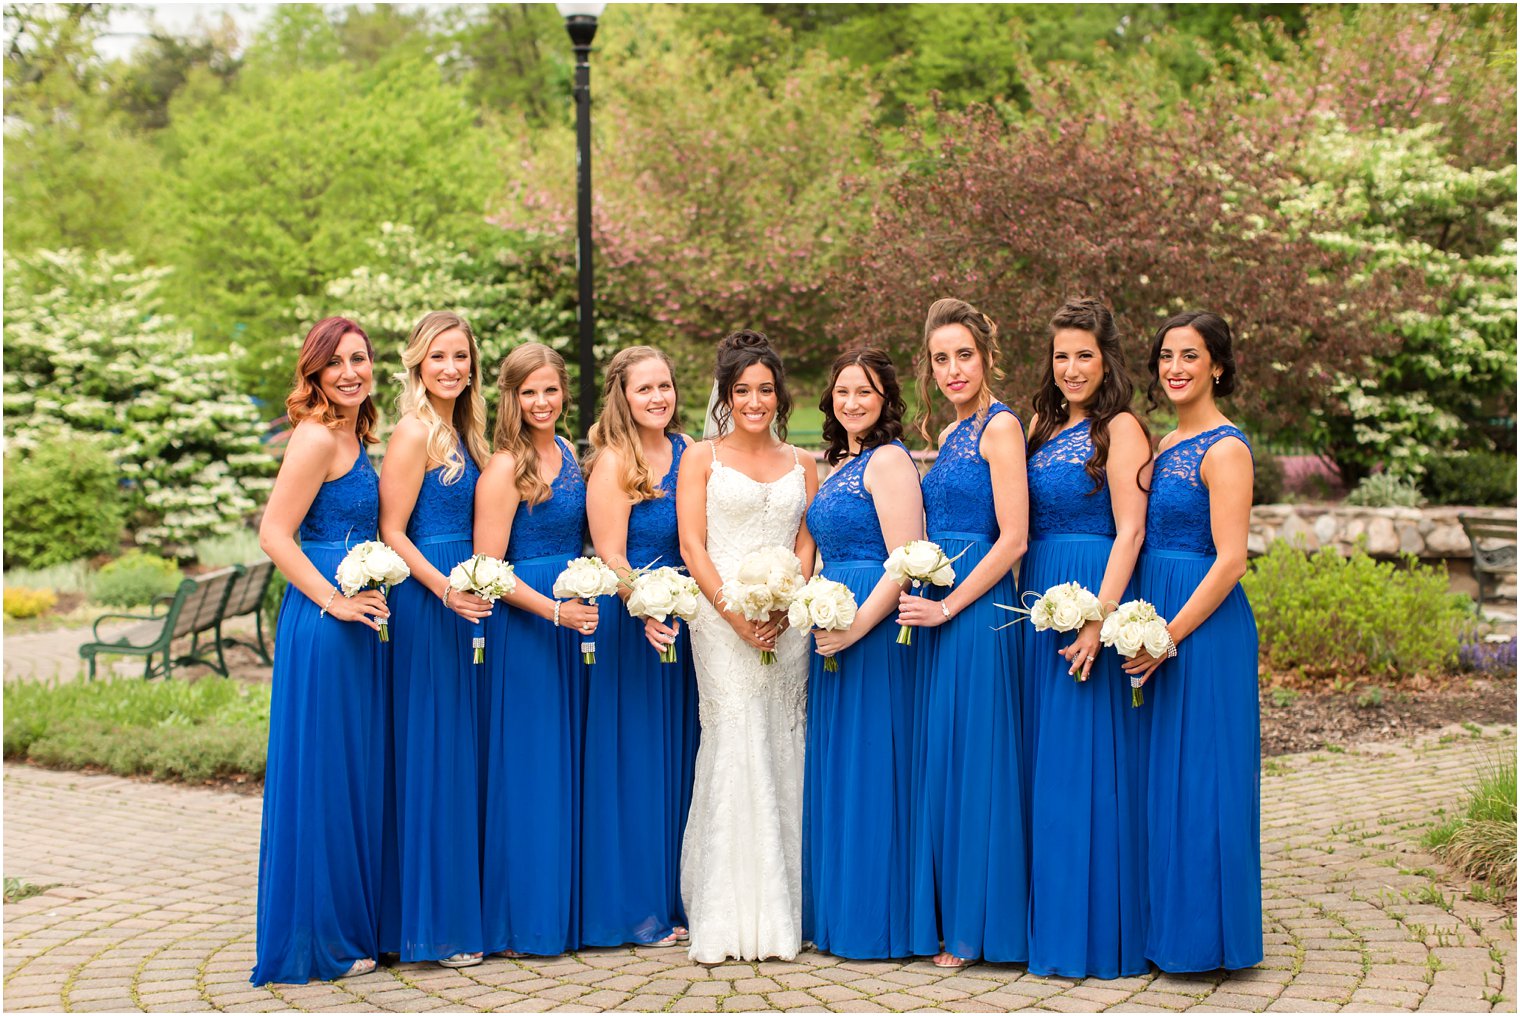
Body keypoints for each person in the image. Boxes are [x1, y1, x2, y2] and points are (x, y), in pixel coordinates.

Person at [252, 317, 389, 985]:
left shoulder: (350, 432)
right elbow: (275, 534)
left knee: (353, 775)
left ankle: (354, 923)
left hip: (359, 624)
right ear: (314, 372)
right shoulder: (313, 437)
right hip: (327, 625)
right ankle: (324, 938)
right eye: (334, 364)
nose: (349, 373)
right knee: (329, 777)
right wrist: (333, 600)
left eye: (358, 359)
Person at [1125, 309, 1262, 972]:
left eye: (1190, 355)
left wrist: (1166, 636)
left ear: (1217, 366)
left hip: (1201, 631)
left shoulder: (1225, 448)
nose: (1175, 367)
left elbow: (1231, 559)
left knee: (1202, 778)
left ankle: (1208, 942)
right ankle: (1168, 929)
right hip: (1158, 621)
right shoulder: (1163, 442)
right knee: (1163, 781)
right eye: (1166, 356)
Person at [676, 330, 818, 963]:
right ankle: (726, 914)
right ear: (725, 395)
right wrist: (735, 613)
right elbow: (692, 546)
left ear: (778, 393)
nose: (755, 401)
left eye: (765, 389)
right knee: (734, 739)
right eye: (742, 390)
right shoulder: (701, 458)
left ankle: (792, 906)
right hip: (721, 618)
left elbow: (808, 540)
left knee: (785, 741)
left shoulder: (803, 462)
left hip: (789, 624)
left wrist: (791, 599)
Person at [1021, 298, 1150, 979]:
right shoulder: (1039, 425)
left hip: (1090, 595)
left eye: (1084, 356)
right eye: (1061, 354)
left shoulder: (1122, 427)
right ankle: (1044, 921)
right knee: (1041, 767)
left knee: (1082, 765)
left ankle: (1091, 933)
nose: (1071, 368)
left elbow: (1130, 529)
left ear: (1107, 361)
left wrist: (1100, 619)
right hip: (1036, 595)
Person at [899, 298, 1029, 969]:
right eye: (941, 358)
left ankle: (981, 930)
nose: (953, 369)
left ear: (985, 355)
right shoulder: (951, 434)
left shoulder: (999, 427)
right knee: (947, 760)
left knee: (978, 765)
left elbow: (1012, 540)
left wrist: (949, 608)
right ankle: (951, 920)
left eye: (963, 356)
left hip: (976, 616)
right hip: (937, 612)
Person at [376, 311, 493, 968]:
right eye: (439, 357)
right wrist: (444, 588)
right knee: (436, 754)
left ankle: (454, 907)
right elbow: (393, 529)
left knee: (461, 754)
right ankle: (434, 925)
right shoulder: (413, 431)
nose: (451, 368)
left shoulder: (465, 432)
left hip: (469, 599)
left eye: (461, 357)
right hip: (427, 602)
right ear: (418, 363)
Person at [801, 348, 923, 959]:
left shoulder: (889, 461)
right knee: (841, 766)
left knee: (876, 768)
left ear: (885, 401)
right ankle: (839, 912)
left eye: (865, 392)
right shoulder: (840, 463)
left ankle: (877, 921)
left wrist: (855, 629)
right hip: (831, 630)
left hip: (873, 634)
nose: (852, 402)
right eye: (843, 391)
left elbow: (904, 560)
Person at [476, 342, 594, 957]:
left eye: (550, 390)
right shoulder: (503, 468)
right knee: (529, 769)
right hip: (527, 632)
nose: (542, 403)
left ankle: (563, 909)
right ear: (511, 398)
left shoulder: (570, 455)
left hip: (574, 632)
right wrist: (552, 610)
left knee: (567, 767)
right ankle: (523, 920)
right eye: (529, 392)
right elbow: (487, 567)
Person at [581, 346, 699, 949]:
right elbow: (611, 554)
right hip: (633, 627)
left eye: (665, 386)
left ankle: (679, 894)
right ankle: (633, 906)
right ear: (622, 397)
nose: (658, 398)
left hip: (686, 623)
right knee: (637, 763)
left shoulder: (688, 453)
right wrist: (648, 606)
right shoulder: (614, 461)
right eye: (644, 389)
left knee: (681, 760)